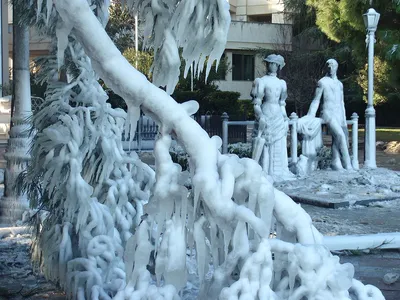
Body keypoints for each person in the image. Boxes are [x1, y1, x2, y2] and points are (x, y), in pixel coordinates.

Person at [251, 54, 294, 180]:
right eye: (270, 63)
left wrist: (285, 117)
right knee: (265, 142)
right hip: (266, 111)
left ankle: (279, 172)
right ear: (267, 64)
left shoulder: (282, 83)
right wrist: (261, 116)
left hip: (278, 115)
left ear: (278, 66)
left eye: (275, 64)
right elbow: (256, 103)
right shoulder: (261, 81)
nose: (273, 66)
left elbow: (282, 103)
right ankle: (265, 170)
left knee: (279, 142)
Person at [307, 58, 352, 170]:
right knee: (340, 135)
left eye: (333, 66)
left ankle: (335, 162)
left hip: (339, 113)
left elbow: (342, 102)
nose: (331, 68)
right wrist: (310, 115)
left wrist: (344, 119)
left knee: (340, 137)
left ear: (337, 67)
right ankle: (348, 165)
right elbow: (316, 100)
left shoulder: (340, 84)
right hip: (327, 113)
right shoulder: (322, 82)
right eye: (329, 66)